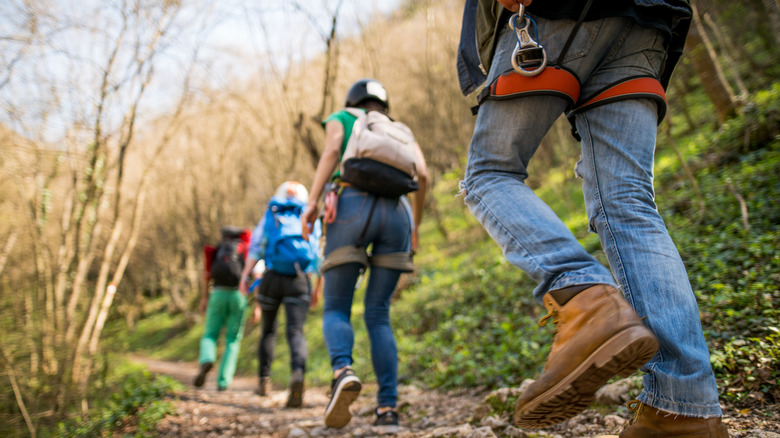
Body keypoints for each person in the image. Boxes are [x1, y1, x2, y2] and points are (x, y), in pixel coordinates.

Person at [456, 0, 729, 436]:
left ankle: (584, 298)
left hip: (553, 14)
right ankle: (684, 408)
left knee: (489, 174)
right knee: (630, 205)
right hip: (650, 21)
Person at [300, 78, 429, 434]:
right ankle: (388, 409)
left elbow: (331, 153)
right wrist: (414, 225)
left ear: (352, 100)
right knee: (378, 313)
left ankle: (343, 371)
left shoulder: (342, 117)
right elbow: (425, 174)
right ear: (384, 105)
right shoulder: (399, 129)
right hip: (398, 215)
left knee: (337, 306)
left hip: (351, 206)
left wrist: (311, 204)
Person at [239, 181, 321, 408]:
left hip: (272, 278)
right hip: (299, 279)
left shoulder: (271, 214)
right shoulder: (309, 214)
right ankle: (298, 374)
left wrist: (245, 274)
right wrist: (316, 287)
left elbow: (256, 246)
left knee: (268, 331)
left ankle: (264, 381)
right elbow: (316, 253)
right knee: (295, 331)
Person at [194, 226, 251, 391]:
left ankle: (207, 359)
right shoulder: (244, 250)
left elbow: (206, 277)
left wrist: (204, 298)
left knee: (210, 334)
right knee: (232, 340)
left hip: (218, 293)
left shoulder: (217, 251)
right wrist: (257, 304)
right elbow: (254, 274)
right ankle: (223, 381)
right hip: (238, 296)